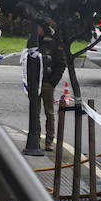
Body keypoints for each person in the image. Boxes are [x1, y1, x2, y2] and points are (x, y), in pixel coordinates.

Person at [30, 19, 70, 151]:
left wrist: (52, 82)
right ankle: (35, 137)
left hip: (47, 82)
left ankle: (49, 141)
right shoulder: (33, 41)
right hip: (35, 82)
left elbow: (61, 63)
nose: (37, 31)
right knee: (34, 112)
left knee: (49, 112)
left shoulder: (53, 43)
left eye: (39, 28)